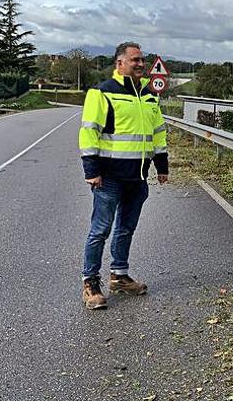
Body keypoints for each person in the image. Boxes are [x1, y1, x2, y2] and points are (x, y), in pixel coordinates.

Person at [79, 41, 169, 310]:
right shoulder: (102, 92)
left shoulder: (149, 96)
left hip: (138, 177)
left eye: (142, 60)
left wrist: (162, 166)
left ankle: (119, 275)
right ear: (119, 63)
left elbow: (158, 134)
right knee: (100, 230)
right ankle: (90, 283)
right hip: (109, 177)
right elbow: (89, 131)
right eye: (135, 60)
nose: (141, 64)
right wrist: (91, 170)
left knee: (126, 229)